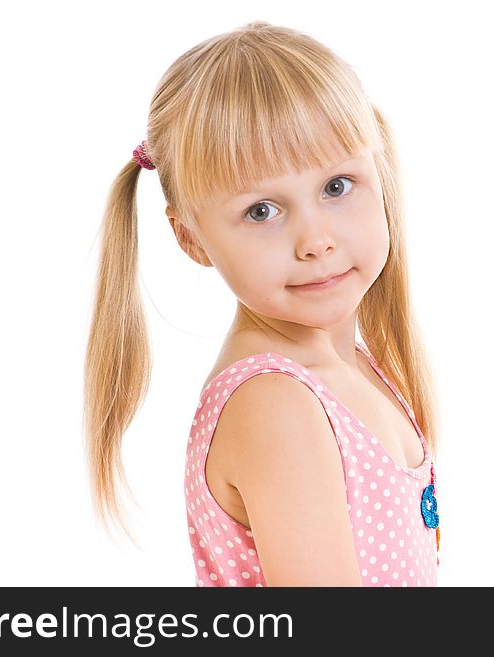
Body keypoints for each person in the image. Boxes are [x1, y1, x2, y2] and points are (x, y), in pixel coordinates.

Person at [84, 20, 442, 587]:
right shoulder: (277, 405)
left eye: (337, 186)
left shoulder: (354, 370)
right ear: (191, 238)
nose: (316, 240)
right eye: (262, 211)